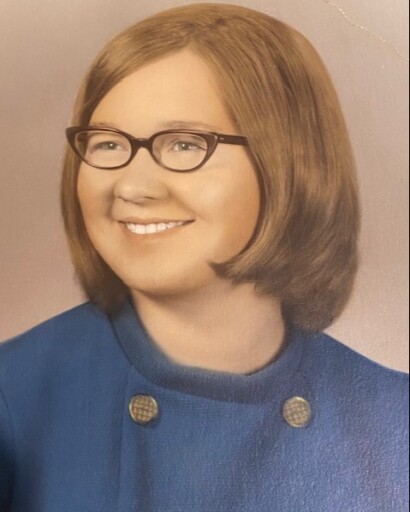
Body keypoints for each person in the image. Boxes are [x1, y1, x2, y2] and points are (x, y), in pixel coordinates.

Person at [0, 3, 408, 511]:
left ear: (287, 162)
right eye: (107, 144)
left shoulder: (394, 417)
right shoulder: (13, 397)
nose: (132, 187)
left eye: (185, 145)